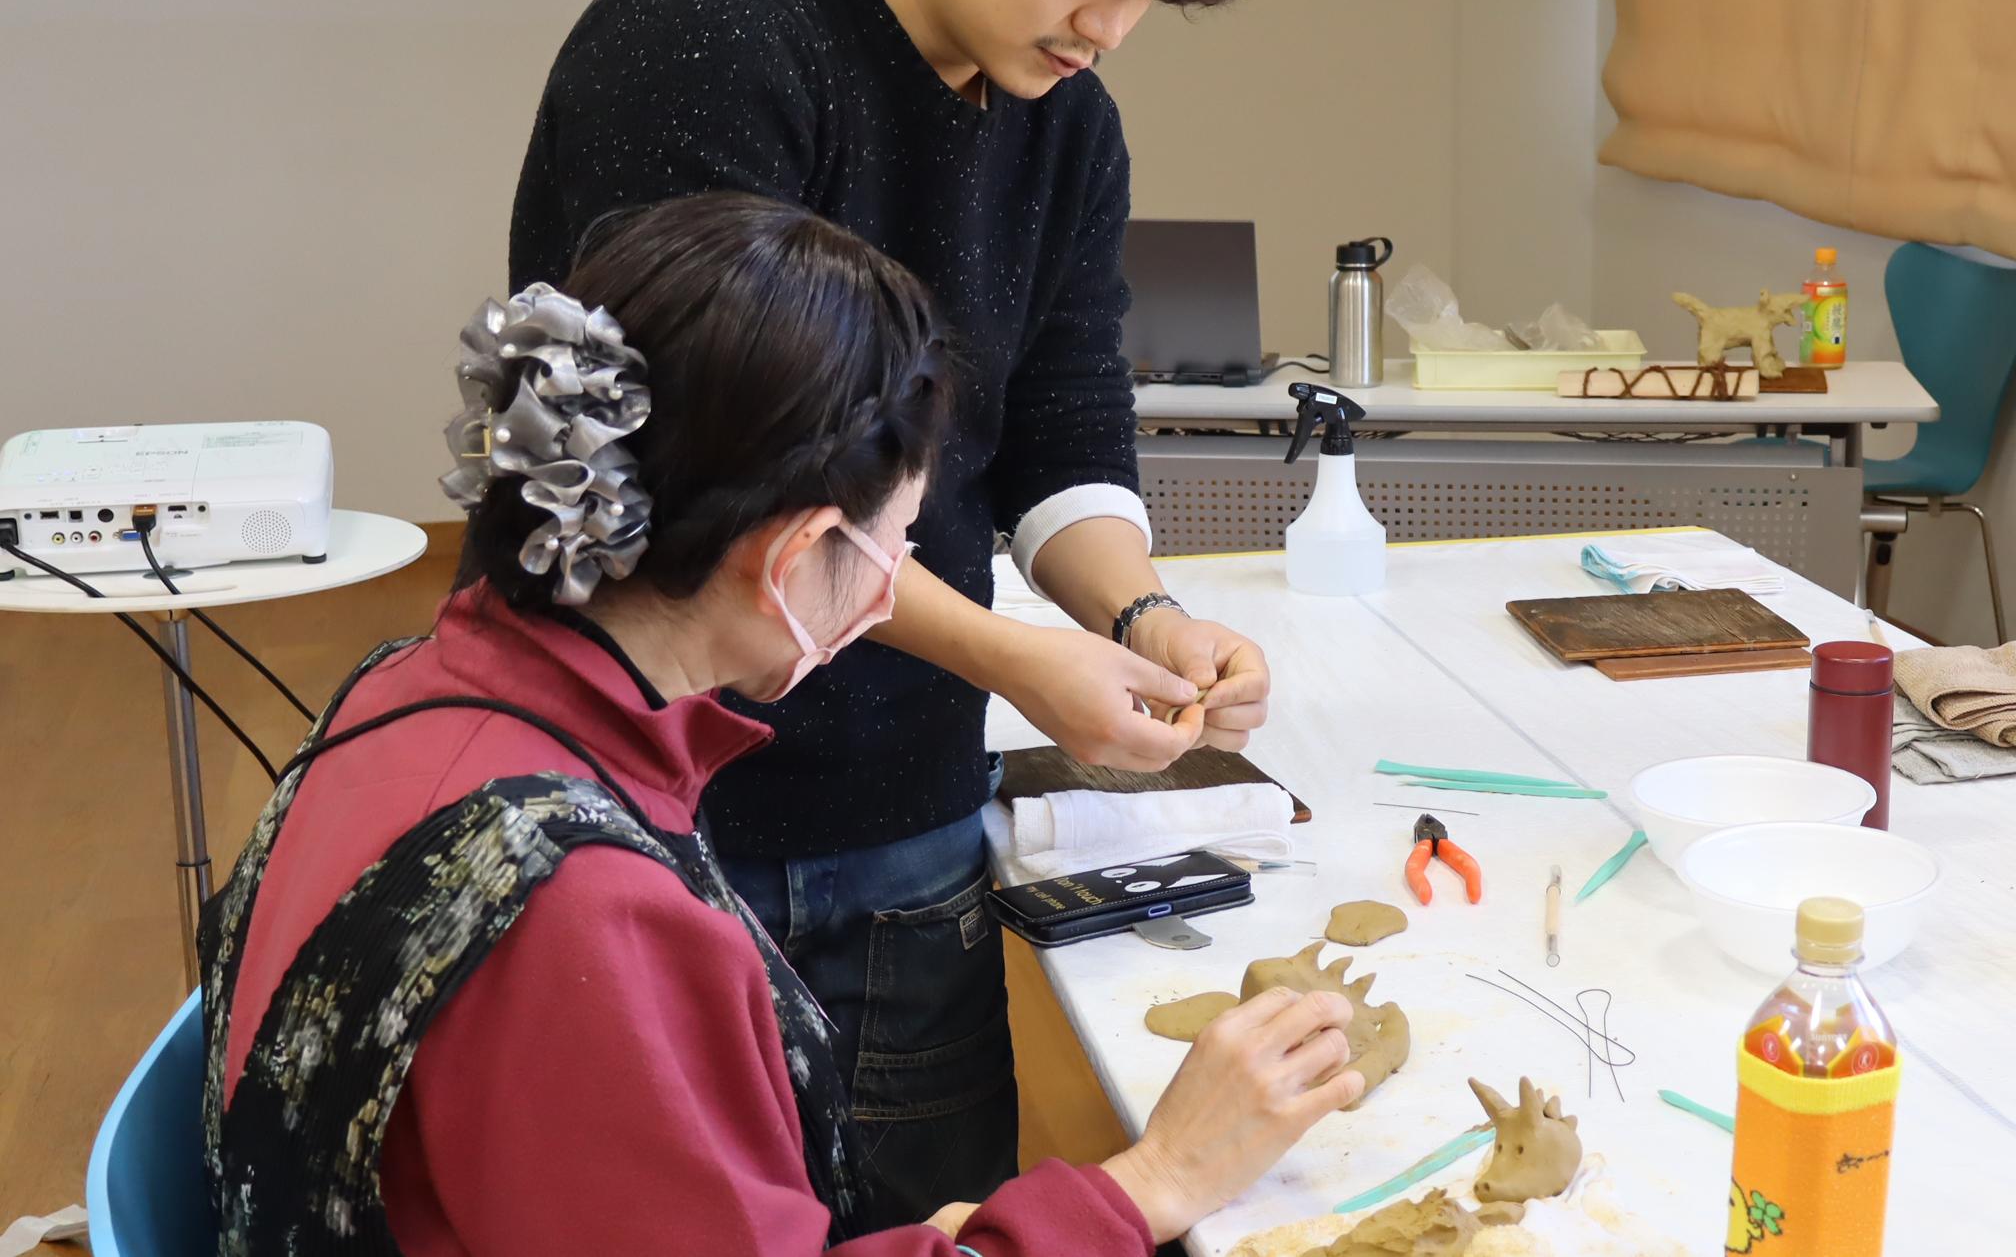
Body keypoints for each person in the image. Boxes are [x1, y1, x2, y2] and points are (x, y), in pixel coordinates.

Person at [201, 193, 1364, 1255]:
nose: (898, 570)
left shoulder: (404, 695)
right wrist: (1152, 1183)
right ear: (797, 554)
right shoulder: (588, 914)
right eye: (900, 538)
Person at [504, 0, 1286, 1221]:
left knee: (930, 1214)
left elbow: (1061, 414)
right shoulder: (714, 36)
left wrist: (1137, 614)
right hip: (656, 796)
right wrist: (1015, 657)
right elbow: (723, 487)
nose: (1111, 24)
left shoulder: (1067, 122)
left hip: (901, 802)